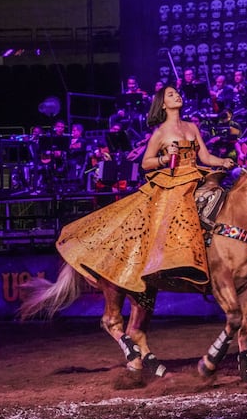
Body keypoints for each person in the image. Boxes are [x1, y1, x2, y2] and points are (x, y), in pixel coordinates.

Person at [55, 85, 235, 298]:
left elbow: (205, 158)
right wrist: (164, 159)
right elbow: (145, 163)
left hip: (196, 175)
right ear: (163, 104)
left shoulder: (191, 126)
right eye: (170, 94)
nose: (176, 95)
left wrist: (222, 161)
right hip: (174, 181)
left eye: (176, 93)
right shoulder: (159, 133)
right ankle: (178, 264)